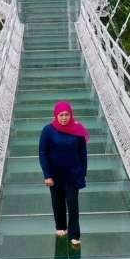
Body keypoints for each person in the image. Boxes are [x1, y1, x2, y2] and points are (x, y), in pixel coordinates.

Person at [39, 101, 89, 246]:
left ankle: (74, 234)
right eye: (61, 115)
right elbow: (43, 153)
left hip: (73, 174)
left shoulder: (78, 130)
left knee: (73, 205)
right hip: (54, 174)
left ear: (71, 114)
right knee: (57, 202)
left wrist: (83, 172)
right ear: (56, 115)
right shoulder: (48, 130)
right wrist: (47, 175)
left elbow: (82, 153)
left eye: (67, 114)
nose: (64, 118)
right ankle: (60, 226)